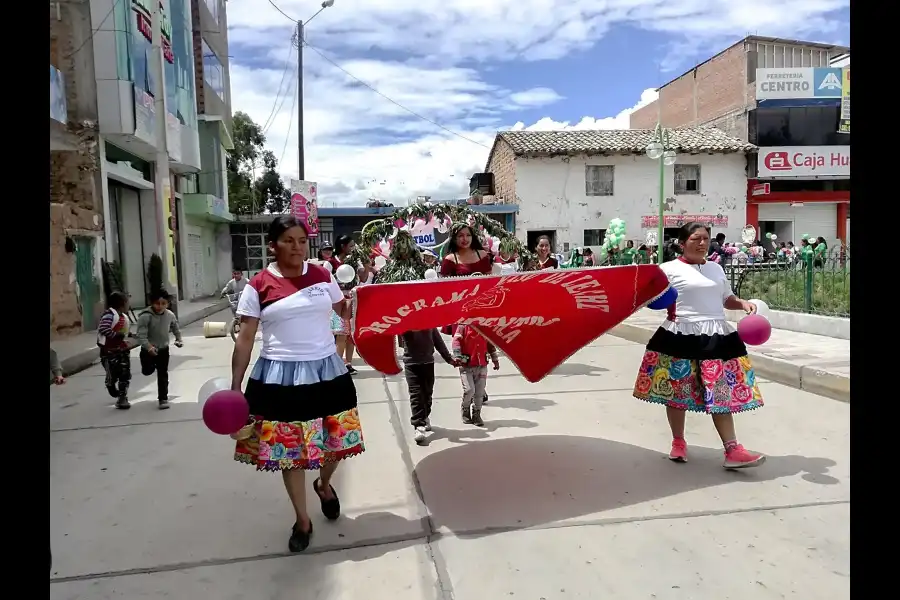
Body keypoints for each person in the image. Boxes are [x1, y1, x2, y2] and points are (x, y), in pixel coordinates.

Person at [231, 215, 364, 553]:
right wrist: (235, 387)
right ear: (273, 245)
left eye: (302, 240)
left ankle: (323, 484)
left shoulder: (322, 274)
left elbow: (341, 306)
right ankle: (302, 520)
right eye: (288, 240)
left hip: (327, 372)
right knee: (290, 453)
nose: (296, 247)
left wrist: (360, 302)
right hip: (279, 377)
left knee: (338, 442)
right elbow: (245, 338)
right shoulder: (258, 284)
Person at [632, 222, 765, 469]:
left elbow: (727, 299)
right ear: (682, 244)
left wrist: (743, 303)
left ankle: (733, 450)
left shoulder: (715, 269)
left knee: (720, 393)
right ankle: (678, 442)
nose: (702, 243)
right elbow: (651, 297)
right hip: (680, 334)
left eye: (705, 238)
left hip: (716, 336)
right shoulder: (668, 269)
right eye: (696, 238)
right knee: (677, 393)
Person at [401, 328, 457, 444]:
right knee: (416, 394)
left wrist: (449, 359)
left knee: (427, 393)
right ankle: (418, 425)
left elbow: (438, 341)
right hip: (411, 364)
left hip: (428, 363)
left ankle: (424, 416)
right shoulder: (405, 321)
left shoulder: (430, 323)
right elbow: (399, 340)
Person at [136, 289, 184, 409]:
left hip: (163, 349)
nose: (160, 306)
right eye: (157, 303)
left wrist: (179, 339)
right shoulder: (145, 316)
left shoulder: (170, 315)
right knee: (147, 371)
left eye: (164, 303)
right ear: (152, 303)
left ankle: (163, 398)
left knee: (163, 374)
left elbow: (175, 328)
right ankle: (147, 367)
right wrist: (149, 347)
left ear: (167, 303)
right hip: (148, 350)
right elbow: (141, 336)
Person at [452, 323, 500, 426]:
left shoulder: (485, 327)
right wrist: (457, 355)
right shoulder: (462, 326)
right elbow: (456, 341)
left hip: (482, 366)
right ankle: (465, 409)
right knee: (469, 390)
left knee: (479, 392)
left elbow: (490, 344)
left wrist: (495, 359)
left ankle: (476, 414)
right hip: (466, 366)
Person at [98, 291, 132, 410]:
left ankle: (122, 397)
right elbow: (103, 328)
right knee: (113, 373)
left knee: (125, 373)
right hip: (109, 352)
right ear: (122, 304)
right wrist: (115, 335)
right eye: (127, 302)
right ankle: (110, 383)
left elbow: (124, 332)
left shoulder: (123, 317)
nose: (129, 305)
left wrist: (130, 336)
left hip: (122, 350)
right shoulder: (109, 315)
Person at [333, 235, 359, 373]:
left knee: (351, 336)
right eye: (351, 246)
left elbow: (363, 276)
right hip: (338, 304)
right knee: (341, 335)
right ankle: (337, 365)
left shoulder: (354, 262)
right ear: (343, 247)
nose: (353, 248)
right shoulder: (331, 263)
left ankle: (348, 363)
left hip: (352, 301)